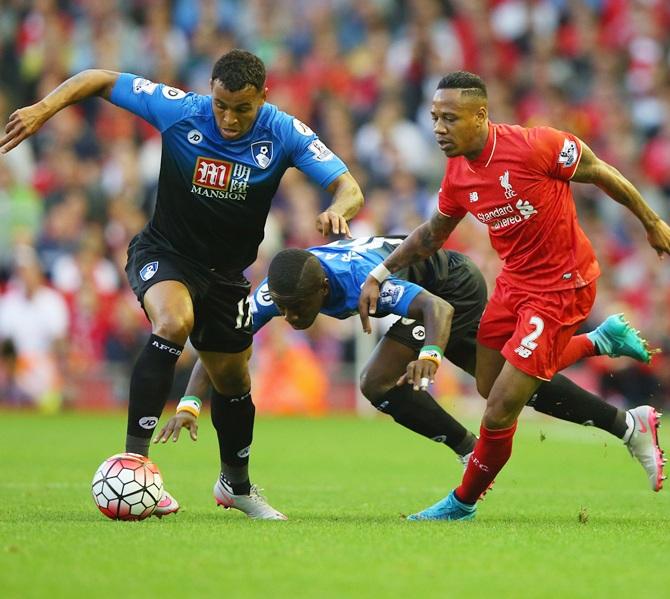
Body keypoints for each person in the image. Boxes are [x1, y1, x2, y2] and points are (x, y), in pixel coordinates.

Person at [0, 49, 364, 520]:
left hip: (226, 277)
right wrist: (42, 109)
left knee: (233, 380)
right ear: (210, 93)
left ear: (263, 98)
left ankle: (235, 486)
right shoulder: (181, 110)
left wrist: (340, 209)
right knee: (173, 322)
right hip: (164, 253)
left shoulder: (285, 132)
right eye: (221, 105)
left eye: (242, 108)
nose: (229, 118)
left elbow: (349, 187)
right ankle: (135, 463)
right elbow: (99, 77)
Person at [155, 236, 663, 519]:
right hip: (427, 296)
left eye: (299, 309)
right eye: (283, 309)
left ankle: (470, 447)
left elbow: (434, 308)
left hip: (451, 286)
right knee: (502, 385)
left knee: (377, 382)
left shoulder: (352, 280)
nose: (289, 317)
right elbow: (223, 347)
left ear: (321, 290)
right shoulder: (281, 288)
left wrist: (433, 355)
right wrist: (189, 403)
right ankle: (626, 420)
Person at [358, 72, 670, 521]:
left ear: (480, 115)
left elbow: (601, 172)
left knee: (501, 407)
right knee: (490, 384)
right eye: (434, 118)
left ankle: (461, 503)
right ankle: (600, 346)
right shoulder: (458, 173)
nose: (439, 128)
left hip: (562, 284)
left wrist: (653, 222)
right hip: (514, 284)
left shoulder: (536, 145)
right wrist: (381, 271)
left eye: (450, 118)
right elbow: (431, 235)